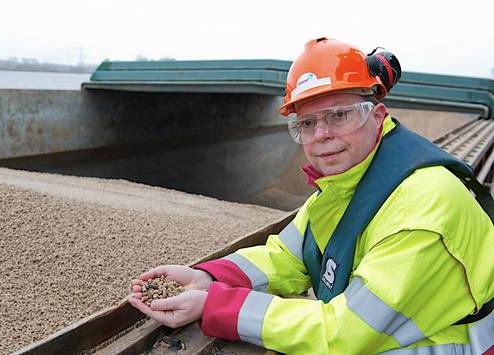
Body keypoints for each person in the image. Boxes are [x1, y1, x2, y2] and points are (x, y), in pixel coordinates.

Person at [129, 38, 494, 354]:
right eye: (307, 123)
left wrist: (215, 307)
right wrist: (208, 277)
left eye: (339, 115)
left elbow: (341, 335)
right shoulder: (346, 183)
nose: (321, 135)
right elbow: (288, 256)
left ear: (377, 115)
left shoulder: (423, 209)